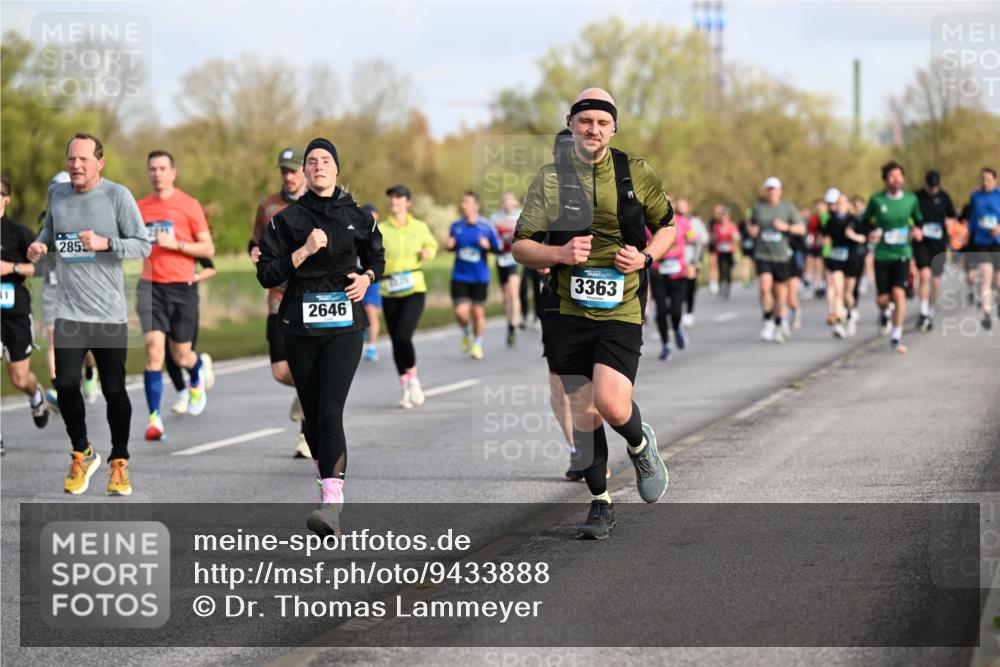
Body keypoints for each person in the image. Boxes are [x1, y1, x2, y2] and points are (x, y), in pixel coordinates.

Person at [513, 88, 675, 539]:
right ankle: (600, 502)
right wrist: (559, 253)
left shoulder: (636, 172)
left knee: (611, 402)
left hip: (621, 304)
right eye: (585, 121)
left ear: (614, 128)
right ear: (571, 125)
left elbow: (667, 227)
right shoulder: (550, 179)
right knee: (584, 412)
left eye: (603, 122)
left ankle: (640, 445)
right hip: (566, 308)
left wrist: (645, 257)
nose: (593, 129)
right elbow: (521, 246)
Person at [257, 137, 385, 536]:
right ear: (305, 172)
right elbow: (266, 273)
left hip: (345, 326)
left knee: (330, 410)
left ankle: (331, 503)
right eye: (311, 161)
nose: (318, 166)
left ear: (336, 169)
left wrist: (367, 278)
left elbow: (377, 257)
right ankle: (326, 474)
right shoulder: (287, 220)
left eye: (325, 160)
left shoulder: (358, 216)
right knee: (312, 417)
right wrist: (303, 252)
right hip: (300, 326)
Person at [27, 133, 151, 495]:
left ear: (100, 162)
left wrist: (105, 243)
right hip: (69, 310)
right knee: (65, 383)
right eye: (71, 159)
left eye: (83, 159)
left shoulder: (117, 196)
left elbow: (142, 245)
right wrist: (40, 245)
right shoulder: (57, 194)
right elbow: (50, 231)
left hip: (108, 314)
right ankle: (82, 451)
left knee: (114, 391)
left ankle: (119, 462)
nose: (76, 165)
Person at [135, 150, 215, 440]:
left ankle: (196, 373)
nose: (157, 173)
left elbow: (207, 249)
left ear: (173, 172)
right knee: (154, 352)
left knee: (181, 356)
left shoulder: (189, 205)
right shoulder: (140, 207)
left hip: (182, 287)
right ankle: (154, 420)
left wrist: (176, 244)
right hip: (150, 286)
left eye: (162, 168)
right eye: (152, 169)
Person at [250, 146, 311, 459]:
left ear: (305, 171)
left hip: (309, 296)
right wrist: (254, 253)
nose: (288, 176)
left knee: (305, 364)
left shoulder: (317, 204)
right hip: (278, 294)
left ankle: (306, 436)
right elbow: (256, 242)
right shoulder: (268, 206)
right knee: (280, 370)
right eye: (284, 171)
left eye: (293, 170)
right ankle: (305, 392)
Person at [36, 171, 99, 411]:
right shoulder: (45, 219)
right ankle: (61, 392)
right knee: (54, 340)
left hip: (80, 288)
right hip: (53, 286)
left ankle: (90, 371)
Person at [379, 184, 438, 409]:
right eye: (391, 197)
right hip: (389, 289)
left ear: (408, 202)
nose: (394, 201)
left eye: (398, 197)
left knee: (404, 335)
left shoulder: (419, 227)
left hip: (414, 289)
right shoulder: (381, 229)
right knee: (395, 340)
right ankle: (405, 387)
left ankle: (413, 378)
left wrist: (428, 252)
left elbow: (432, 245)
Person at [1, 176, 51, 440]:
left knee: (19, 379)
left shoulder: (18, 233)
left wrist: (11, 267)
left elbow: (42, 268)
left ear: (6, 199)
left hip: (15, 314)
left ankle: (35, 394)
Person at [858, 160, 922, 353]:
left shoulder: (911, 199)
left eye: (899, 176)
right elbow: (864, 222)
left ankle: (896, 335)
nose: (896, 179)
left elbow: (918, 220)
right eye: (892, 176)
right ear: (885, 180)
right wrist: (870, 233)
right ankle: (885, 311)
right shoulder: (877, 200)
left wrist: (917, 230)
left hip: (902, 254)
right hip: (882, 255)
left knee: (899, 293)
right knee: (883, 299)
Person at [749, 177, 804, 343]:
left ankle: (780, 321)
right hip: (763, 254)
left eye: (774, 189)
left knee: (780, 293)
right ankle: (768, 320)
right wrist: (752, 230)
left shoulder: (788, 208)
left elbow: (801, 229)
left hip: (782, 256)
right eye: (769, 189)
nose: (771, 192)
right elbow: (751, 225)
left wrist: (786, 227)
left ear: (780, 191)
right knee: (764, 285)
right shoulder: (758, 208)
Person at [447, 192, 500, 360]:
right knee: (460, 312)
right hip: (460, 276)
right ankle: (466, 331)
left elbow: (499, 248)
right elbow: (451, 245)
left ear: (476, 205)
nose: (463, 205)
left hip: (479, 277)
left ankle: (477, 343)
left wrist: (488, 246)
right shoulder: (456, 225)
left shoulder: (487, 226)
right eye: (463, 202)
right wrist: (449, 246)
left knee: (477, 312)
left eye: (467, 202)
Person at [166, 257, 217, 413]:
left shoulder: (190, 246)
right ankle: (183, 395)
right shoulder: (156, 243)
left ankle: (200, 362)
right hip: (161, 301)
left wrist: (195, 277)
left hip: (185, 302)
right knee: (167, 354)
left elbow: (211, 268)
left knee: (183, 354)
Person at [911, 170, 956, 332]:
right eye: (930, 186)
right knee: (924, 275)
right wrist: (913, 228)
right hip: (922, 243)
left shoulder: (944, 197)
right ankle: (923, 312)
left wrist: (950, 222)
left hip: (938, 244)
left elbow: (953, 216)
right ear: (925, 184)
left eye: (935, 186)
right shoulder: (916, 197)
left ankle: (930, 309)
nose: (933, 189)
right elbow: (908, 217)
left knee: (935, 281)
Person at [822, 189, 866, 338]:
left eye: (843, 202)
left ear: (848, 204)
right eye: (838, 202)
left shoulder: (854, 220)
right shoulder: (831, 220)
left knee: (848, 293)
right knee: (838, 291)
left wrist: (853, 236)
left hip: (851, 259)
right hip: (836, 258)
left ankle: (851, 315)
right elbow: (826, 238)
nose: (840, 205)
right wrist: (825, 246)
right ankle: (838, 324)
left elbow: (863, 238)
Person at [650, 206, 692, 360]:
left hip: (678, 274)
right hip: (657, 273)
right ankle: (666, 345)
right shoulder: (648, 223)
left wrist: (693, 263)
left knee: (676, 312)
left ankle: (676, 328)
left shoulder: (683, 222)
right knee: (661, 311)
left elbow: (693, 241)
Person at [964, 167, 1000, 329]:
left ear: (995, 180)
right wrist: (967, 233)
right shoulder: (975, 196)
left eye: (989, 180)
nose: (985, 182)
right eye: (983, 179)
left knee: (998, 281)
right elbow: (972, 218)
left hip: (997, 242)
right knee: (986, 276)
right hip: (981, 242)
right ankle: (987, 313)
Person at [490, 191, 523, 346]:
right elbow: (491, 238)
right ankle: (509, 325)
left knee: (513, 292)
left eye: (510, 200)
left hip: (516, 258)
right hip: (501, 259)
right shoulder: (495, 218)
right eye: (505, 200)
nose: (508, 203)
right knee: (505, 296)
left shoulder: (521, 216)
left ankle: (514, 326)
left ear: (515, 202)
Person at [360, 203, 382, 361]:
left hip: (372, 278)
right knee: (359, 312)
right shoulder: (354, 229)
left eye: (372, 215)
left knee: (372, 311)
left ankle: (372, 347)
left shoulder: (382, 232)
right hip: (354, 276)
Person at [681, 199, 707, 328]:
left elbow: (704, 239)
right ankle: (678, 312)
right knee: (678, 288)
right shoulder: (671, 221)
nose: (681, 209)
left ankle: (689, 313)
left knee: (690, 287)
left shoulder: (695, 222)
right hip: (675, 261)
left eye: (683, 206)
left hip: (691, 260)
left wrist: (697, 260)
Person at [711, 207, 740, 298]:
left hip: (729, 250)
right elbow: (714, 238)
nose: (724, 218)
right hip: (720, 251)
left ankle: (728, 287)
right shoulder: (716, 226)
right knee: (721, 269)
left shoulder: (732, 225)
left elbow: (736, 237)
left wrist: (734, 240)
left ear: (728, 216)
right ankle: (720, 285)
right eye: (722, 216)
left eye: (725, 216)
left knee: (728, 270)